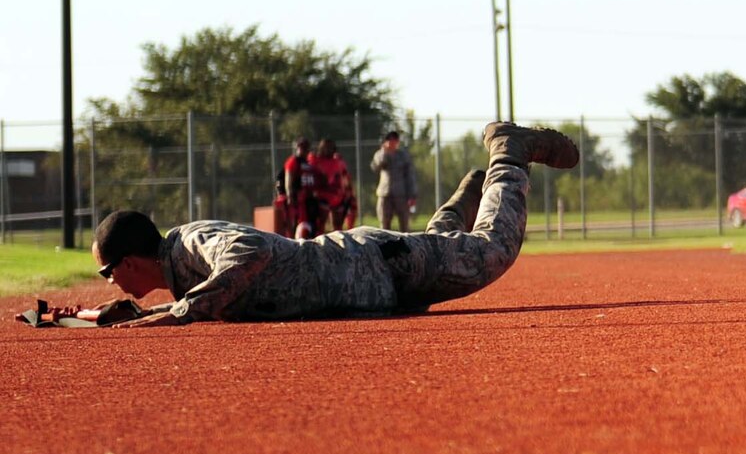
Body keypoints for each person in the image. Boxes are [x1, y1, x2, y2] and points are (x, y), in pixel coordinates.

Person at [87, 122, 578, 327]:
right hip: (373, 277)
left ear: (128, 262)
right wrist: (116, 315)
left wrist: (180, 313)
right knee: (447, 248)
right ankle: (473, 192)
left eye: (107, 273)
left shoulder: (191, 241)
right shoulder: (179, 273)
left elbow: (250, 253)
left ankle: (508, 153)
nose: (111, 282)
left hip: (375, 266)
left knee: (489, 253)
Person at [371, 131, 420, 232]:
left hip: (401, 194)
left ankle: (405, 246)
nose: (393, 143)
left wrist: (412, 195)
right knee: (384, 224)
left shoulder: (403, 156)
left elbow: (410, 176)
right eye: (390, 140)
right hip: (385, 193)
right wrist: (384, 152)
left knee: (404, 225)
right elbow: (376, 167)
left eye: (395, 140)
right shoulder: (380, 154)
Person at [282, 138, 326, 239]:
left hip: (311, 198)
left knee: (313, 224)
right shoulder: (293, 162)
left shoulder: (309, 162)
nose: (304, 150)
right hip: (300, 199)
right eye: (301, 147)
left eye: (306, 148)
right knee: (301, 224)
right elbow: (289, 179)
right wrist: (290, 195)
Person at [315, 138, 358, 232]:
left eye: (330, 148)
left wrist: (350, 193)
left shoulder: (338, 161)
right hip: (323, 196)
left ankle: (337, 244)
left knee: (338, 224)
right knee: (320, 223)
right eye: (325, 148)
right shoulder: (316, 161)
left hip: (338, 196)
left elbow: (346, 178)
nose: (328, 150)